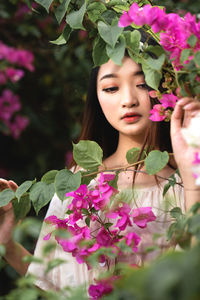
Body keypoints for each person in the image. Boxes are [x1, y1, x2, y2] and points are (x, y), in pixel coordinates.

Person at [0, 51, 200, 292]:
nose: (128, 99)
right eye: (111, 88)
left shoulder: (184, 183)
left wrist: (192, 178)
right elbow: (58, 290)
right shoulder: (81, 184)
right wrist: (7, 244)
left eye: (142, 83)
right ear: (96, 98)